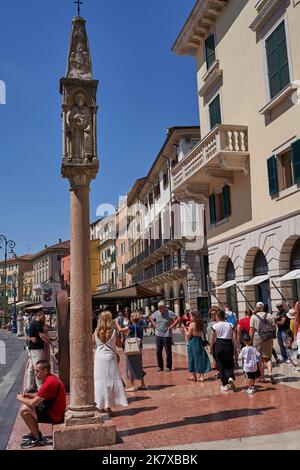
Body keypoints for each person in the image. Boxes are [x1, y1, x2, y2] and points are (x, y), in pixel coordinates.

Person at [17, 360, 66, 449]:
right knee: (27, 405)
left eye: (37, 371)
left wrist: (20, 398)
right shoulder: (50, 378)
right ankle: (35, 432)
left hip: (55, 415)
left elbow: (32, 404)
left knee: (24, 409)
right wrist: (28, 395)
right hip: (53, 409)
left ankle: (37, 439)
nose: (35, 373)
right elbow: (41, 394)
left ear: (45, 371)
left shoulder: (49, 382)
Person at [93, 311, 128, 417]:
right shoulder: (113, 332)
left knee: (100, 381)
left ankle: (100, 405)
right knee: (110, 380)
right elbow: (119, 345)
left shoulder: (96, 332)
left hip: (99, 358)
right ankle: (108, 407)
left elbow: (91, 343)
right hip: (110, 358)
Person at [116, 311, 146, 391]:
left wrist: (117, 323)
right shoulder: (140, 327)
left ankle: (132, 385)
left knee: (129, 366)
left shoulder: (131, 326)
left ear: (132, 318)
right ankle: (143, 384)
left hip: (131, 349)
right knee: (139, 366)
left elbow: (120, 330)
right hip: (138, 348)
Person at [25, 310, 54, 392]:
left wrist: (50, 339)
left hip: (32, 348)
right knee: (38, 367)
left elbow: (32, 335)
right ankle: (40, 387)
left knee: (31, 368)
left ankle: (29, 386)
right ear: (39, 316)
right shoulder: (37, 323)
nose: (44, 318)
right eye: (43, 316)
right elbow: (42, 336)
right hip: (36, 348)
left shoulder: (33, 323)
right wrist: (51, 343)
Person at [210, 309, 237, 392]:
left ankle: (224, 384)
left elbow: (212, 338)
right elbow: (233, 337)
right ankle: (230, 377)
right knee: (229, 362)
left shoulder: (215, 326)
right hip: (228, 344)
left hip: (219, 344)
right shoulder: (230, 324)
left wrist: (211, 348)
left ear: (217, 316)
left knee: (220, 364)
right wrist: (235, 348)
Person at [250, 302, 276, 384]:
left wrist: (250, 340)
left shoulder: (253, 317)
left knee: (260, 358)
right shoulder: (270, 315)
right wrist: (273, 335)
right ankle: (270, 373)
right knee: (268, 357)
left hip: (257, 337)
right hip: (268, 337)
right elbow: (274, 327)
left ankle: (263, 377)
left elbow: (251, 330)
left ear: (256, 307)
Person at [150, 301, 180, 372]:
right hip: (158, 335)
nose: (159, 309)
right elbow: (150, 317)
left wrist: (172, 325)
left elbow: (178, 318)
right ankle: (160, 366)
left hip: (167, 335)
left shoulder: (169, 312)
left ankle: (168, 366)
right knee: (158, 351)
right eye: (158, 308)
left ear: (164, 307)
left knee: (168, 351)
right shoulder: (157, 312)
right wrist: (154, 323)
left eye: (161, 308)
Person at [187, 312, 211, 382]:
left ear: (194, 317)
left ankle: (194, 376)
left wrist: (185, 330)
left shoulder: (192, 324)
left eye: (191, 316)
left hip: (193, 341)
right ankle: (201, 376)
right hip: (199, 341)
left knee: (192, 358)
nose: (190, 317)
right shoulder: (201, 324)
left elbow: (188, 335)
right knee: (200, 358)